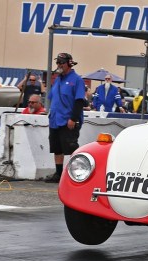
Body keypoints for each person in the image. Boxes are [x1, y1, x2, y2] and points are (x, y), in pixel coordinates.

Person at [45, 52, 85, 183]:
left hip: (68, 120)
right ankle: (58, 174)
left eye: (61, 62)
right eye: (57, 62)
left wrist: (73, 119)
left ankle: (77, 173)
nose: (59, 65)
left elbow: (79, 101)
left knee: (71, 148)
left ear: (69, 63)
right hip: (55, 119)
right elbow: (52, 98)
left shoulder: (77, 80)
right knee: (57, 148)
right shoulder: (57, 79)